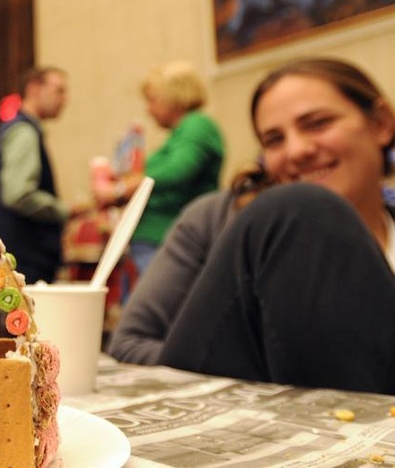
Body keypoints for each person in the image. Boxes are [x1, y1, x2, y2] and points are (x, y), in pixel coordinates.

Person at [154, 57, 395, 394]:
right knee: (298, 208)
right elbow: (131, 342)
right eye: (274, 140)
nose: (296, 151)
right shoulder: (218, 221)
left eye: (317, 124)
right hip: (225, 408)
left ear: (381, 123)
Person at [108, 164, 272, 364]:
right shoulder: (210, 216)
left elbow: (176, 171)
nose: (297, 151)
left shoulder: (197, 141)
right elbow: (127, 344)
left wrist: (118, 190)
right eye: (273, 145)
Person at [94, 60, 225, 294]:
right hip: (154, 241)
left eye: (153, 100)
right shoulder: (181, 133)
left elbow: (178, 170)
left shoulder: (197, 125)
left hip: (165, 239)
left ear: (174, 97)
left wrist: (121, 189)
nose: (149, 109)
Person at [0, 66, 71, 285]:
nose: (64, 99)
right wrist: (63, 210)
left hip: (18, 255)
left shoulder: (14, 129)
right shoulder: (24, 132)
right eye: (59, 91)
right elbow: (18, 194)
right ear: (34, 89)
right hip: (26, 259)